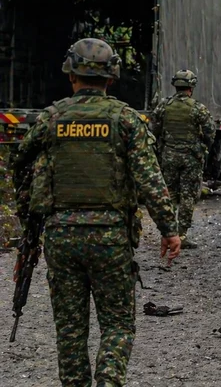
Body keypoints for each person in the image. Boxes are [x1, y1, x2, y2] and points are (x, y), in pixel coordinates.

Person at [13, 38, 180, 386]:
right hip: (111, 239)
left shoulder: (51, 119)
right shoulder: (125, 120)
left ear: (71, 76)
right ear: (112, 77)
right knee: (118, 324)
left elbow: (23, 169)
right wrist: (169, 229)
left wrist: (29, 235)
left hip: (60, 237)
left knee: (71, 331)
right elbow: (149, 179)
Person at [151, 69, 215, 249]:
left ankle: (167, 233)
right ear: (191, 87)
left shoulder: (164, 106)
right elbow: (210, 132)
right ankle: (182, 234)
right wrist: (203, 145)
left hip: (169, 156)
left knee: (169, 194)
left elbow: (153, 130)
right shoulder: (197, 108)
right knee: (188, 196)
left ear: (175, 85)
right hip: (191, 158)